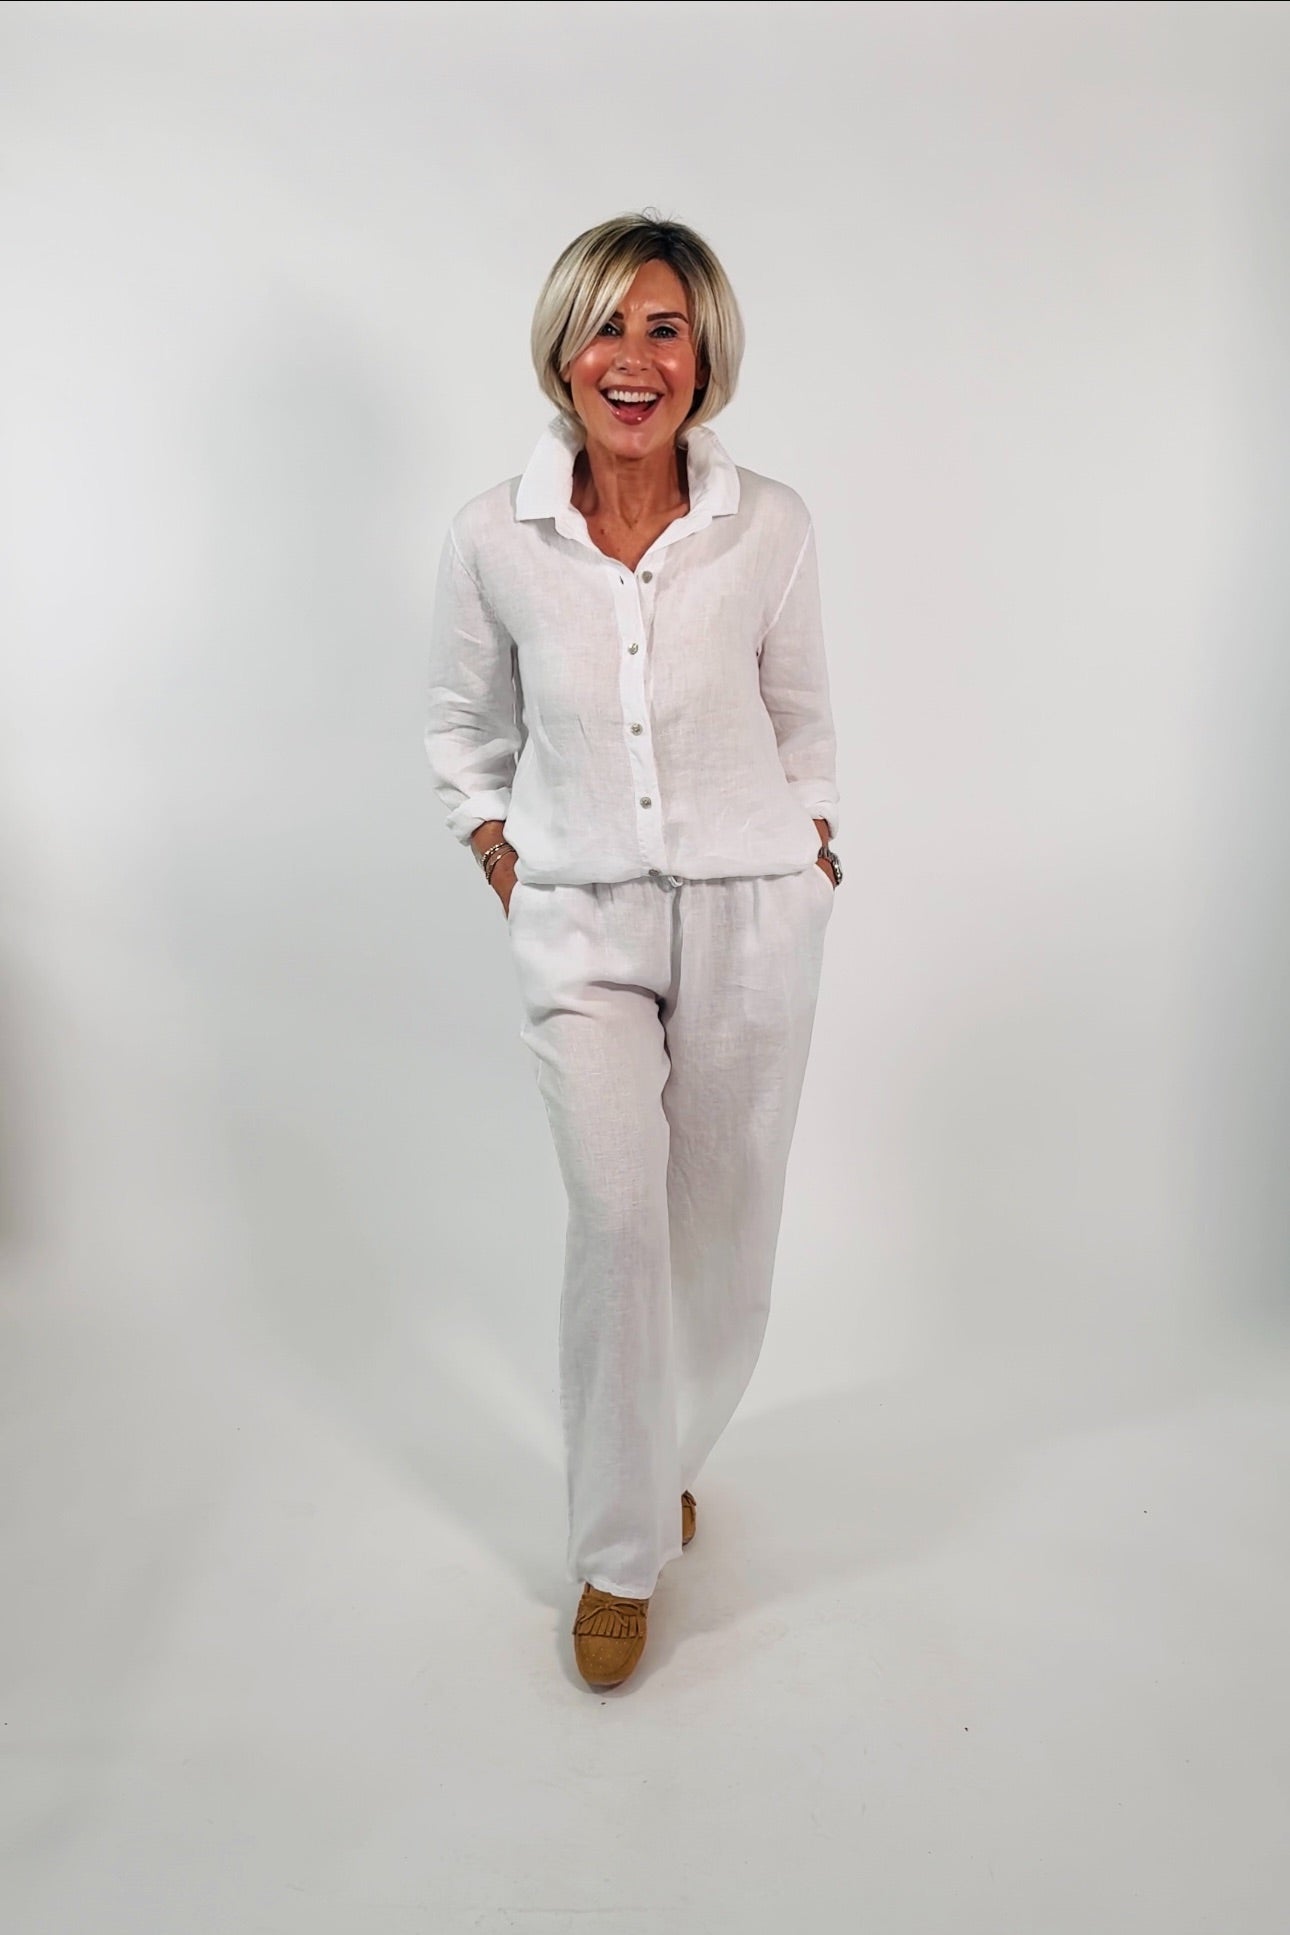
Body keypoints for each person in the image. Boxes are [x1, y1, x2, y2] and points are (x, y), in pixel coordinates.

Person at [424, 210, 842, 1689]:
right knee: (616, 1223)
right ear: (563, 350)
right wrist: (498, 848)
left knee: (721, 1235)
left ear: (703, 357)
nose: (635, 357)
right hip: (581, 917)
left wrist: (812, 843)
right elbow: (462, 723)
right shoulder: (494, 533)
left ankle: (665, 1460)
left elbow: (801, 713)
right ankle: (616, 1553)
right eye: (608, 325)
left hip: (749, 911)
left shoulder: (768, 523)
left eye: (666, 328)